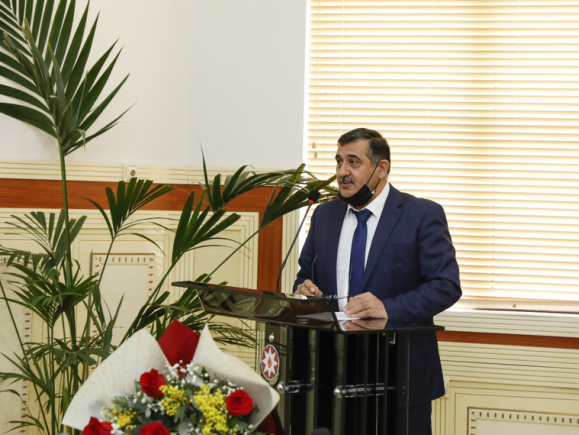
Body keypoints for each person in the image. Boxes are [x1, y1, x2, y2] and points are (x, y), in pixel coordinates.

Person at [293, 128, 461, 435]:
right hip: (333, 378)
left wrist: (388, 307)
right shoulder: (324, 215)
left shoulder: (421, 214)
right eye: (338, 161)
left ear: (381, 168)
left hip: (400, 376)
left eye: (353, 162)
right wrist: (304, 289)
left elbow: (446, 285)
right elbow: (306, 276)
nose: (342, 172)